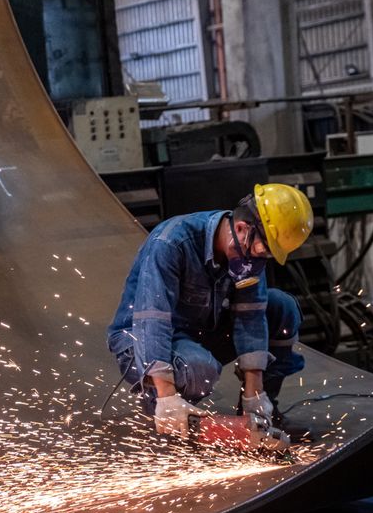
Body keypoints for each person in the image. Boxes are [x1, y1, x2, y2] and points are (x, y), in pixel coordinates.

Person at [106, 183, 314, 438]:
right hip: (143, 340)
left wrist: (255, 396)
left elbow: (251, 317)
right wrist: (167, 395)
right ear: (241, 228)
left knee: (283, 307)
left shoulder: (248, 255)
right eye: (260, 251)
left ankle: (260, 420)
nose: (258, 261)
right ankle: (169, 416)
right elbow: (153, 319)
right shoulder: (172, 242)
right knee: (199, 368)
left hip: (201, 331)